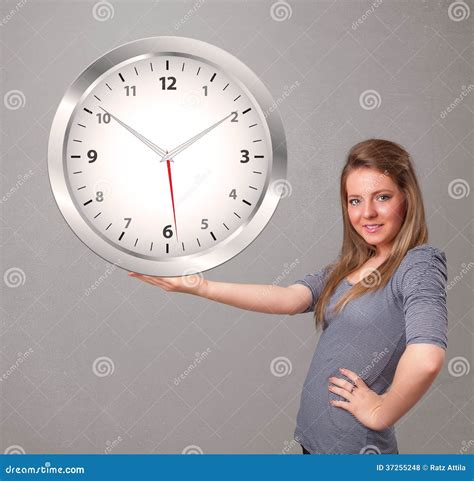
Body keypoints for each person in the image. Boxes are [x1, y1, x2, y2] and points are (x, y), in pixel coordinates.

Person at [128, 139, 448, 455]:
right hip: (314, 442)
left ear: (406, 198)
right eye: (355, 201)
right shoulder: (349, 267)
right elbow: (287, 298)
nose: (367, 213)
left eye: (382, 197)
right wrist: (198, 286)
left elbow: (427, 358)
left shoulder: (418, 264)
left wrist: (382, 411)